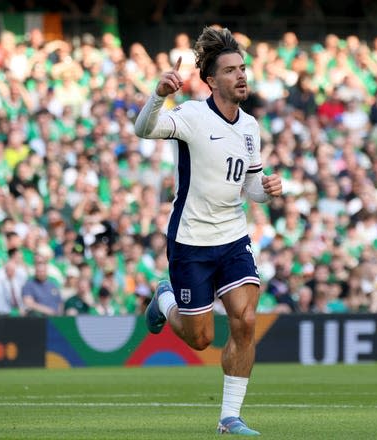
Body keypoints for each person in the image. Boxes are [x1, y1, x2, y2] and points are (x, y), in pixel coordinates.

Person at [134, 26, 282, 436]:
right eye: (231, 70)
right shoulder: (192, 116)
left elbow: (250, 187)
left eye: (243, 68)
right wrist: (159, 94)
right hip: (191, 242)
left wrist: (267, 189)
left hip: (233, 237)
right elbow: (144, 130)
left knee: (245, 319)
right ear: (212, 80)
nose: (241, 76)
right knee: (200, 339)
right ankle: (165, 299)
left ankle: (229, 417)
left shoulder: (250, 126)